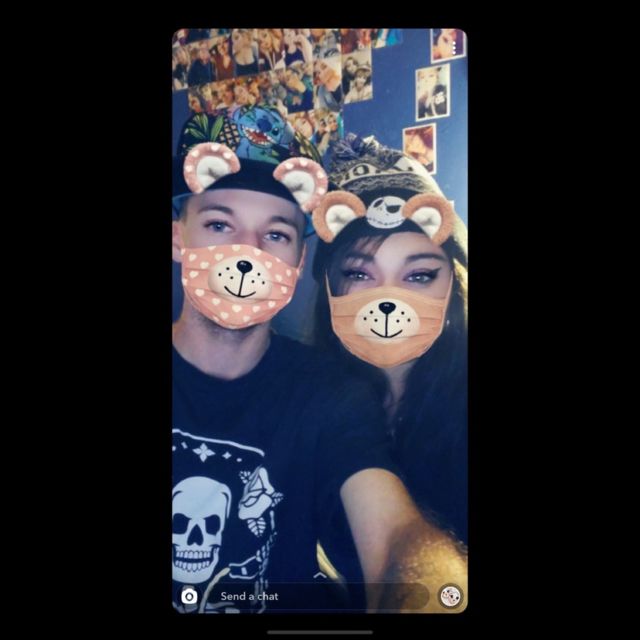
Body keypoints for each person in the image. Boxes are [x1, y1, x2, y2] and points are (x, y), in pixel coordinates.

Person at [172, 108, 468, 613]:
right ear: (179, 238)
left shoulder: (328, 398)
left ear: (298, 260)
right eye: (220, 224)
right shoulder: (349, 381)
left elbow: (395, 538)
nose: (246, 254)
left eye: (276, 235)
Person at [310, 134, 468, 590]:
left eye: (418, 275)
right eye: (359, 273)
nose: (388, 299)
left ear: (452, 285)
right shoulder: (310, 398)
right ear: (330, 286)